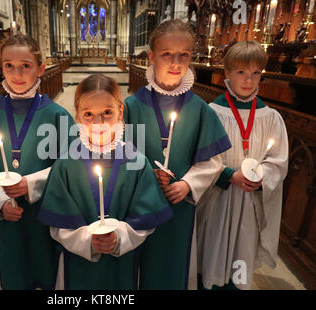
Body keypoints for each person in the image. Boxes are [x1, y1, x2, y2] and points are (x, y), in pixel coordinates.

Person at [0, 34, 75, 289]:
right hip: (9, 216)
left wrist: (31, 184)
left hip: (47, 211)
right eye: (9, 65)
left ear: (40, 68)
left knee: (48, 270)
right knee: (13, 271)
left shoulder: (57, 114)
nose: (17, 73)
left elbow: (70, 167)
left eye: (26, 65)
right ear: (1, 67)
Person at [124, 19, 232, 289]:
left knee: (170, 266)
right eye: (167, 54)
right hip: (137, 204)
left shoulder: (200, 109)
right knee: (136, 265)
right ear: (151, 57)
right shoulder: (130, 106)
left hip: (178, 205)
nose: (175, 62)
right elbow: (119, 154)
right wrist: (147, 176)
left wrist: (187, 184)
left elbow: (212, 161)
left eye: (184, 54)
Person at [38, 74, 173, 289]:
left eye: (107, 113)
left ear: (121, 111)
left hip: (123, 262)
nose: (99, 123)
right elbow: (58, 225)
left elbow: (146, 221)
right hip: (78, 262)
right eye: (89, 114)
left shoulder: (137, 162)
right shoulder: (65, 164)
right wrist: (87, 241)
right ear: (78, 117)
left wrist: (119, 237)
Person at [196, 40, 289, 290]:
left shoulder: (270, 117)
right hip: (218, 199)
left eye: (255, 73)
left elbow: (278, 162)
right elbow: (200, 157)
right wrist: (227, 174)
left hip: (249, 202)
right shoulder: (211, 112)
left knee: (241, 256)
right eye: (241, 72)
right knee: (212, 252)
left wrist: (261, 177)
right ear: (226, 72)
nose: (249, 80)